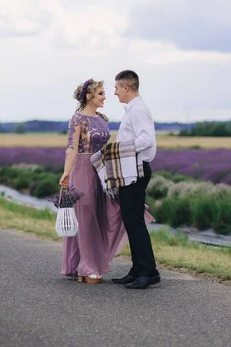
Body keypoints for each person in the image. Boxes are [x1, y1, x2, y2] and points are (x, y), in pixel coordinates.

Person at [59, 78, 154, 284]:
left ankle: (94, 264)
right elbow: (72, 148)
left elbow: (109, 147)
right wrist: (67, 172)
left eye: (106, 92)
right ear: (89, 96)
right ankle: (86, 266)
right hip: (83, 171)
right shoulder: (77, 120)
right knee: (86, 217)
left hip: (102, 171)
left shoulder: (102, 118)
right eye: (101, 93)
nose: (105, 97)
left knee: (106, 214)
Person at [110, 70, 160, 290]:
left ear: (126, 87)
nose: (115, 92)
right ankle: (138, 269)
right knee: (131, 222)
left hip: (136, 171)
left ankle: (148, 272)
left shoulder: (138, 110)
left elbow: (146, 140)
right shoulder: (133, 109)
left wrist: (120, 151)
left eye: (117, 88)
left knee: (135, 223)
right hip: (132, 170)